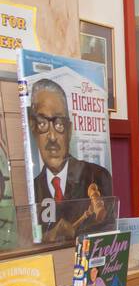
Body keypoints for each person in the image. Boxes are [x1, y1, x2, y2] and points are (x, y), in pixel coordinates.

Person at [27, 78, 112, 242]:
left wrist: (75, 232)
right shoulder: (32, 189)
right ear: (33, 129)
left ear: (70, 130)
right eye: (43, 123)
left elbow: (107, 232)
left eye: (59, 124)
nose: (52, 137)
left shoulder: (97, 176)